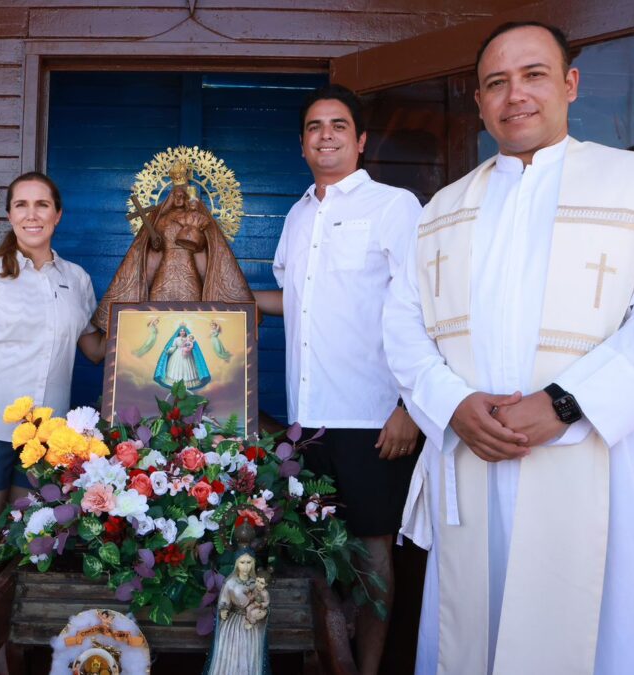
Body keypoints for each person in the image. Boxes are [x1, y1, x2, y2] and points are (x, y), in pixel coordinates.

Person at [383, 22, 634, 674]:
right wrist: (452, 404)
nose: (516, 96)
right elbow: (402, 326)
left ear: (570, 84)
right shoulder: (444, 210)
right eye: (496, 83)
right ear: (478, 102)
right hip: (473, 457)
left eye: (534, 75)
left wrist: (565, 402)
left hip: (593, 460)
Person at [253, 83, 422, 675]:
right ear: (302, 143)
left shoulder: (394, 207)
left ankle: (368, 668)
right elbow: (292, 300)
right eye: (315, 126)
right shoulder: (299, 215)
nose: (326, 135)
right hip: (308, 420)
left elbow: (422, 304)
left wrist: (409, 405)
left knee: (373, 552)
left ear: (361, 139)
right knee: (309, 553)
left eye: (339, 126)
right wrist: (221, 299)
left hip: (373, 417)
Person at [0, 171, 105, 642]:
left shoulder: (76, 279)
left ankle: (4, 652)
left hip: (45, 440)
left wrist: (145, 323)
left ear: (58, 214)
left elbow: (94, 349)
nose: (32, 214)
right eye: (21, 205)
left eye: (42, 205)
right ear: (9, 215)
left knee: (26, 549)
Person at [92, 164, 252, 332]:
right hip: (165, 270)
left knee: (192, 316)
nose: (179, 198)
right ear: (170, 196)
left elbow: (206, 245)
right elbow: (154, 244)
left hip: (188, 271)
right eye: (176, 195)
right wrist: (155, 243)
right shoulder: (159, 219)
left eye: (183, 195)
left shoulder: (196, 217)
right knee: (159, 315)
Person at [204, 550, 269, 675]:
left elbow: (264, 600)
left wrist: (263, 611)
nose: (246, 566)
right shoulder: (230, 583)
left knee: (251, 649)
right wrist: (223, 610)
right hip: (233, 622)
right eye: (242, 562)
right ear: (236, 564)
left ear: (253, 564)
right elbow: (224, 601)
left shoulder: (256, 583)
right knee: (232, 650)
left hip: (251, 621)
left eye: (249, 562)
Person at [153, 324, 211, 391]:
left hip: (187, 355)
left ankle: (186, 385)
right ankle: (176, 384)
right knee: (176, 369)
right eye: (181, 331)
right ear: (179, 332)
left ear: (186, 332)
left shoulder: (188, 338)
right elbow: (174, 347)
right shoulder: (176, 339)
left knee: (188, 368)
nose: (182, 332)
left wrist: (189, 347)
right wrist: (168, 351)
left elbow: (191, 346)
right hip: (177, 355)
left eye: (184, 331)